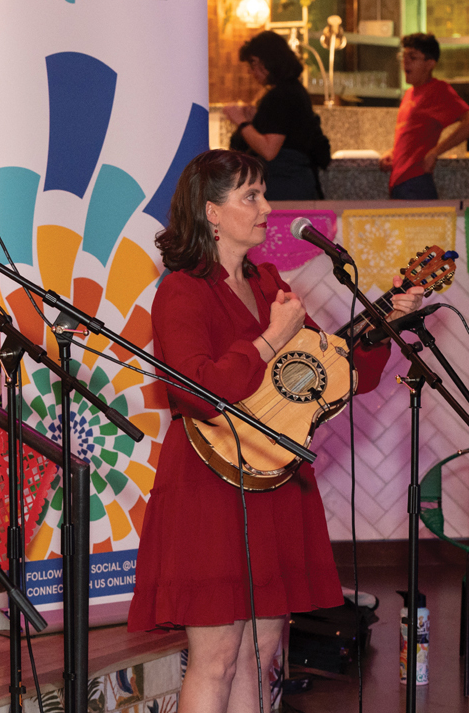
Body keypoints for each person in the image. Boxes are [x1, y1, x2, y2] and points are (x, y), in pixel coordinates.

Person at [127, 150, 422, 713]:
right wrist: (269, 339)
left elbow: (329, 373)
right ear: (211, 212)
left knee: (262, 655)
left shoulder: (268, 284)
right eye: (251, 196)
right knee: (217, 660)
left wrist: (384, 325)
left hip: (274, 478)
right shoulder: (182, 291)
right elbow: (196, 391)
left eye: (264, 193)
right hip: (210, 484)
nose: (267, 207)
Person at [223, 30, 324, 200]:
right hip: (295, 182)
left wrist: (241, 121)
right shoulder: (293, 90)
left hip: (284, 185)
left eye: (254, 63)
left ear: (269, 61)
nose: (251, 71)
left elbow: (269, 150)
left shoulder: (281, 95)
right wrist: (253, 121)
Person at [379, 32, 469, 199]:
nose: (405, 62)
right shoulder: (409, 94)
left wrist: (435, 152)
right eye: (404, 56)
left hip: (416, 181)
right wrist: (393, 153)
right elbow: (412, 137)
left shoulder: (437, 90)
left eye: (412, 57)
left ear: (430, 64)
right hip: (399, 182)